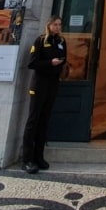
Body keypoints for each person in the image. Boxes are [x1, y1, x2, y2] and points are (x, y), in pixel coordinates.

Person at [21, 16, 66, 174]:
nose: (57, 27)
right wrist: (49, 63)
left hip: (52, 84)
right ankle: (27, 159)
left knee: (44, 121)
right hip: (39, 85)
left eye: (59, 25)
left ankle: (39, 156)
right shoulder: (40, 41)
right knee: (33, 120)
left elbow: (64, 59)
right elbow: (32, 63)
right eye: (55, 24)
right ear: (49, 25)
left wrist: (59, 64)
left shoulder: (61, 42)